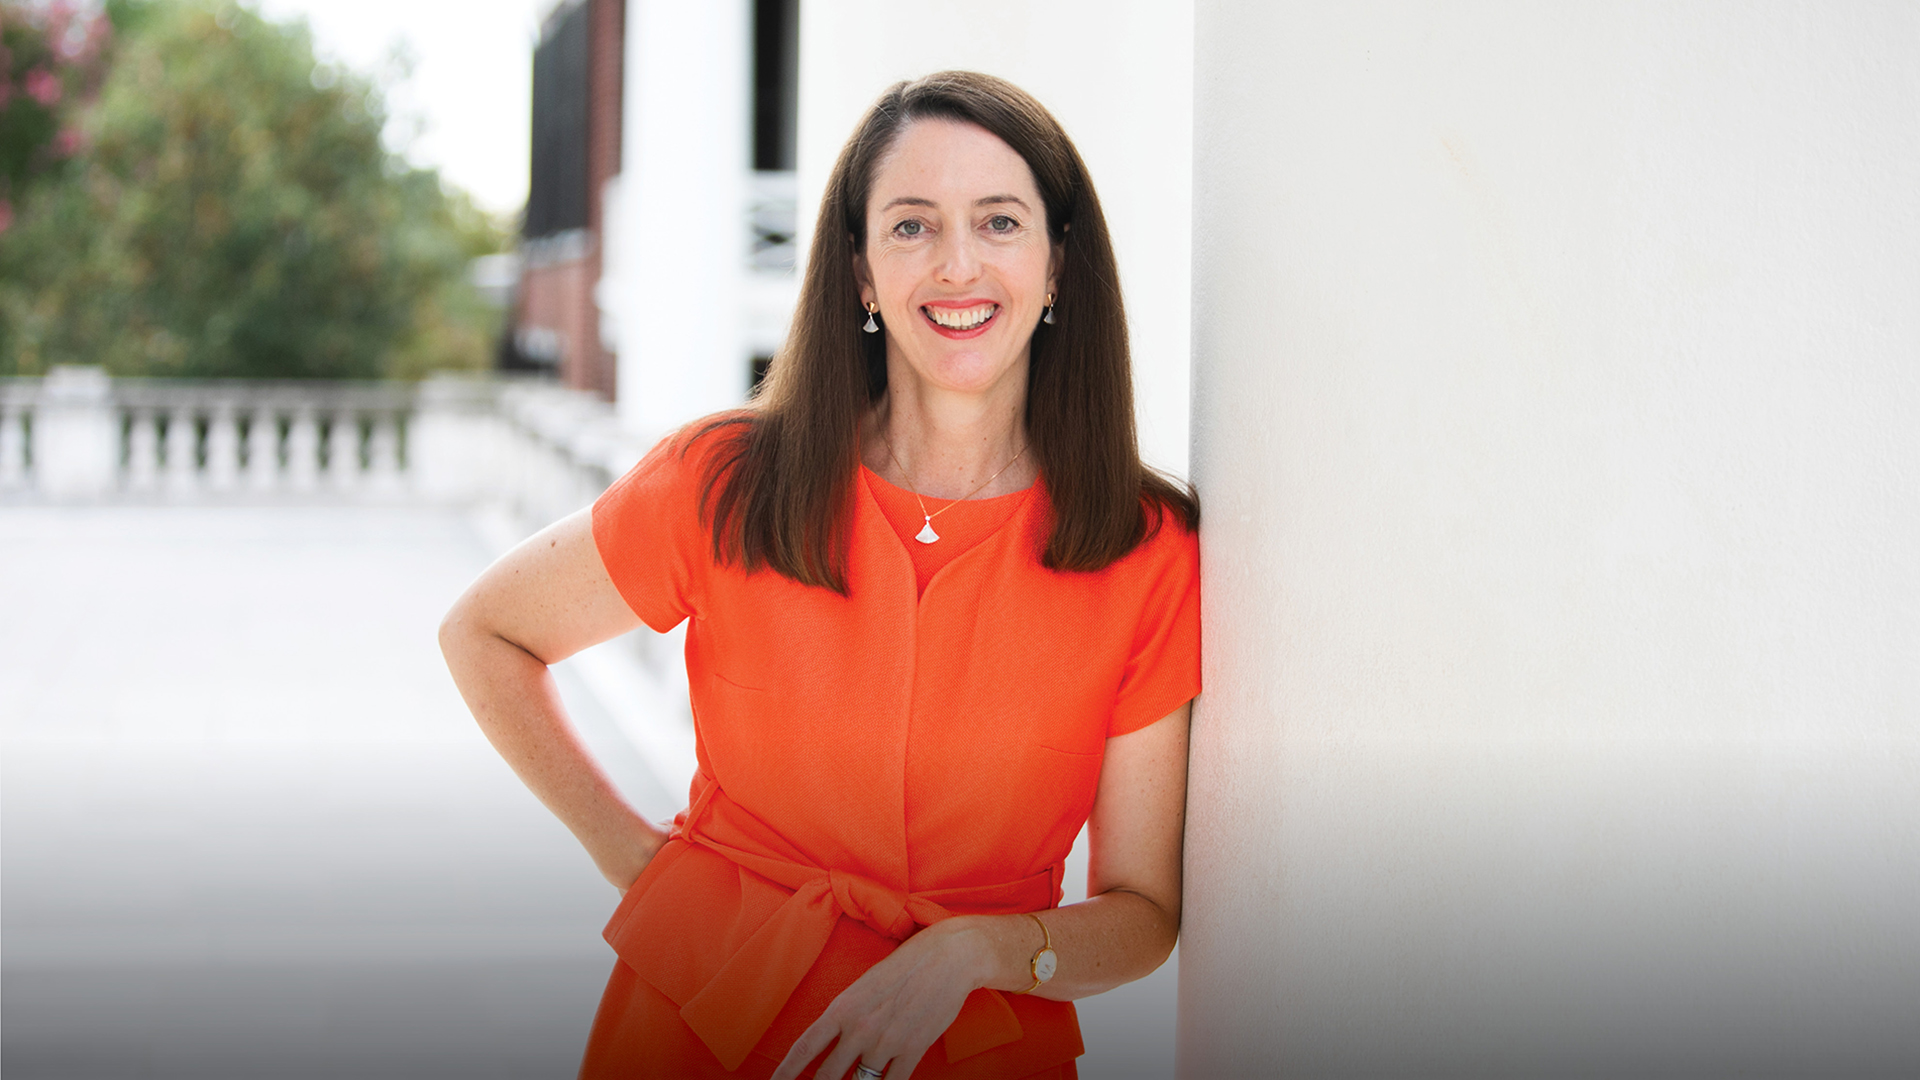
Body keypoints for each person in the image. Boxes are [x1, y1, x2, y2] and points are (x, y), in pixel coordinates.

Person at [440, 71, 1200, 1080]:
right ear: (859, 270)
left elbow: (1143, 913)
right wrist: (636, 862)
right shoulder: (727, 480)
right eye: (912, 226)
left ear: (1060, 263)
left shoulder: (1144, 550)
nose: (957, 264)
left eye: (1001, 222)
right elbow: (485, 632)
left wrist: (978, 952)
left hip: (970, 1046)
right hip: (701, 1023)